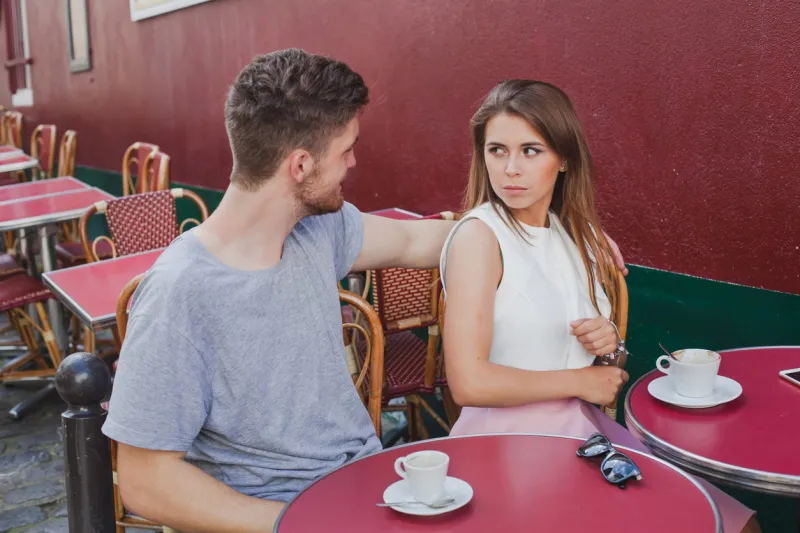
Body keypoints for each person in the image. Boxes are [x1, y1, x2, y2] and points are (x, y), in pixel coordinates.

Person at [103, 51, 626, 533]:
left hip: (369, 486)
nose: (354, 163)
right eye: (347, 150)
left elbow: (425, 238)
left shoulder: (314, 232)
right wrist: (302, 522)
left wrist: (562, 234)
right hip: (286, 513)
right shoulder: (180, 293)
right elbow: (146, 482)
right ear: (301, 165)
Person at [439, 79, 759, 532]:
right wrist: (585, 379)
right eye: (497, 150)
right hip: (508, 442)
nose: (510, 168)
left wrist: (608, 345)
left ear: (564, 158)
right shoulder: (480, 237)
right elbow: (469, 384)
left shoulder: (574, 237)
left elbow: (609, 368)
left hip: (579, 428)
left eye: (531, 150)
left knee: (736, 524)